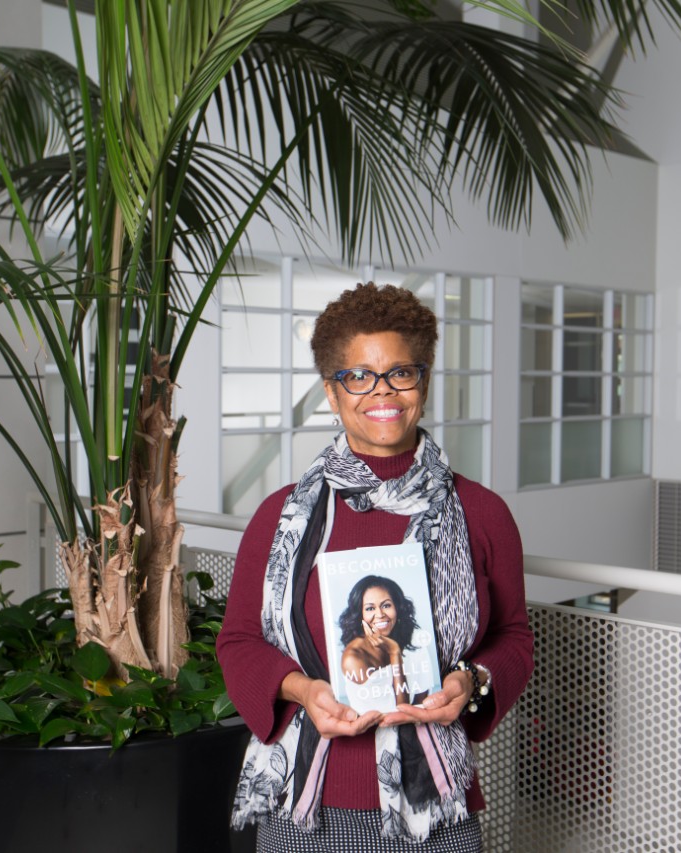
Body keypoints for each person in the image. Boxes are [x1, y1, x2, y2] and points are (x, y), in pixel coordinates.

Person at [217, 282, 534, 851]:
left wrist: (472, 681)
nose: (381, 392)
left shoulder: (481, 513)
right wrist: (301, 690)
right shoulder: (281, 516)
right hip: (306, 802)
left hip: (434, 798)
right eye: (358, 376)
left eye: (400, 373)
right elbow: (239, 641)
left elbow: (512, 638)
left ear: (424, 380)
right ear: (332, 392)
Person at [337, 575, 422, 713]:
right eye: (370, 608)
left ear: (397, 608)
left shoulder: (399, 636)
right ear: (360, 614)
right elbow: (401, 711)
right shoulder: (353, 658)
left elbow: (421, 698)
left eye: (386, 605)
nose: (380, 614)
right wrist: (394, 653)